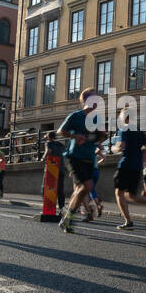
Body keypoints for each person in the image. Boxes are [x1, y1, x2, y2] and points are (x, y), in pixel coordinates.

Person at [56, 89, 106, 233]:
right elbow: (61, 131)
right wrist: (75, 136)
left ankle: (66, 218)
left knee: (80, 191)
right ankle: (67, 218)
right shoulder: (76, 116)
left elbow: (102, 136)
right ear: (85, 99)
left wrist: (99, 137)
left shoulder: (98, 118)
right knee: (87, 186)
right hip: (74, 157)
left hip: (89, 158)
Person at [112, 108, 146, 230]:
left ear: (124, 117)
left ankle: (128, 221)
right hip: (137, 167)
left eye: (120, 116)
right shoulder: (139, 130)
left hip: (125, 165)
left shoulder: (124, 129)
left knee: (119, 193)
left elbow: (121, 147)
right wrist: (139, 154)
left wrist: (114, 149)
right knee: (131, 195)